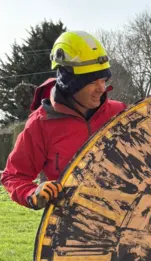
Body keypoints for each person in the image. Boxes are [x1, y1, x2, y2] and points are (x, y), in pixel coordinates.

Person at [1, 31, 126, 209]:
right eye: (92, 82)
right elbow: (13, 176)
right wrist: (32, 194)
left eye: (103, 79)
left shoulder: (119, 113)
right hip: (71, 230)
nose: (101, 88)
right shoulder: (41, 124)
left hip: (128, 224)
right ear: (71, 83)